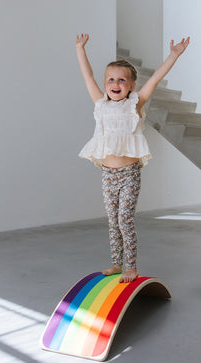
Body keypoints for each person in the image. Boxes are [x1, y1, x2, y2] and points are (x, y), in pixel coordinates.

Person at [76, 33, 190, 282]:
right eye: (110, 79)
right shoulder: (100, 104)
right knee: (112, 221)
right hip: (108, 173)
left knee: (125, 219)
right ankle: (116, 263)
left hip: (129, 173)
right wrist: (80, 49)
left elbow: (156, 78)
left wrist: (173, 55)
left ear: (131, 86)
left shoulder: (135, 105)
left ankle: (131, 267)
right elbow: (87, 77)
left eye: (122, 80)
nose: (115, 83)